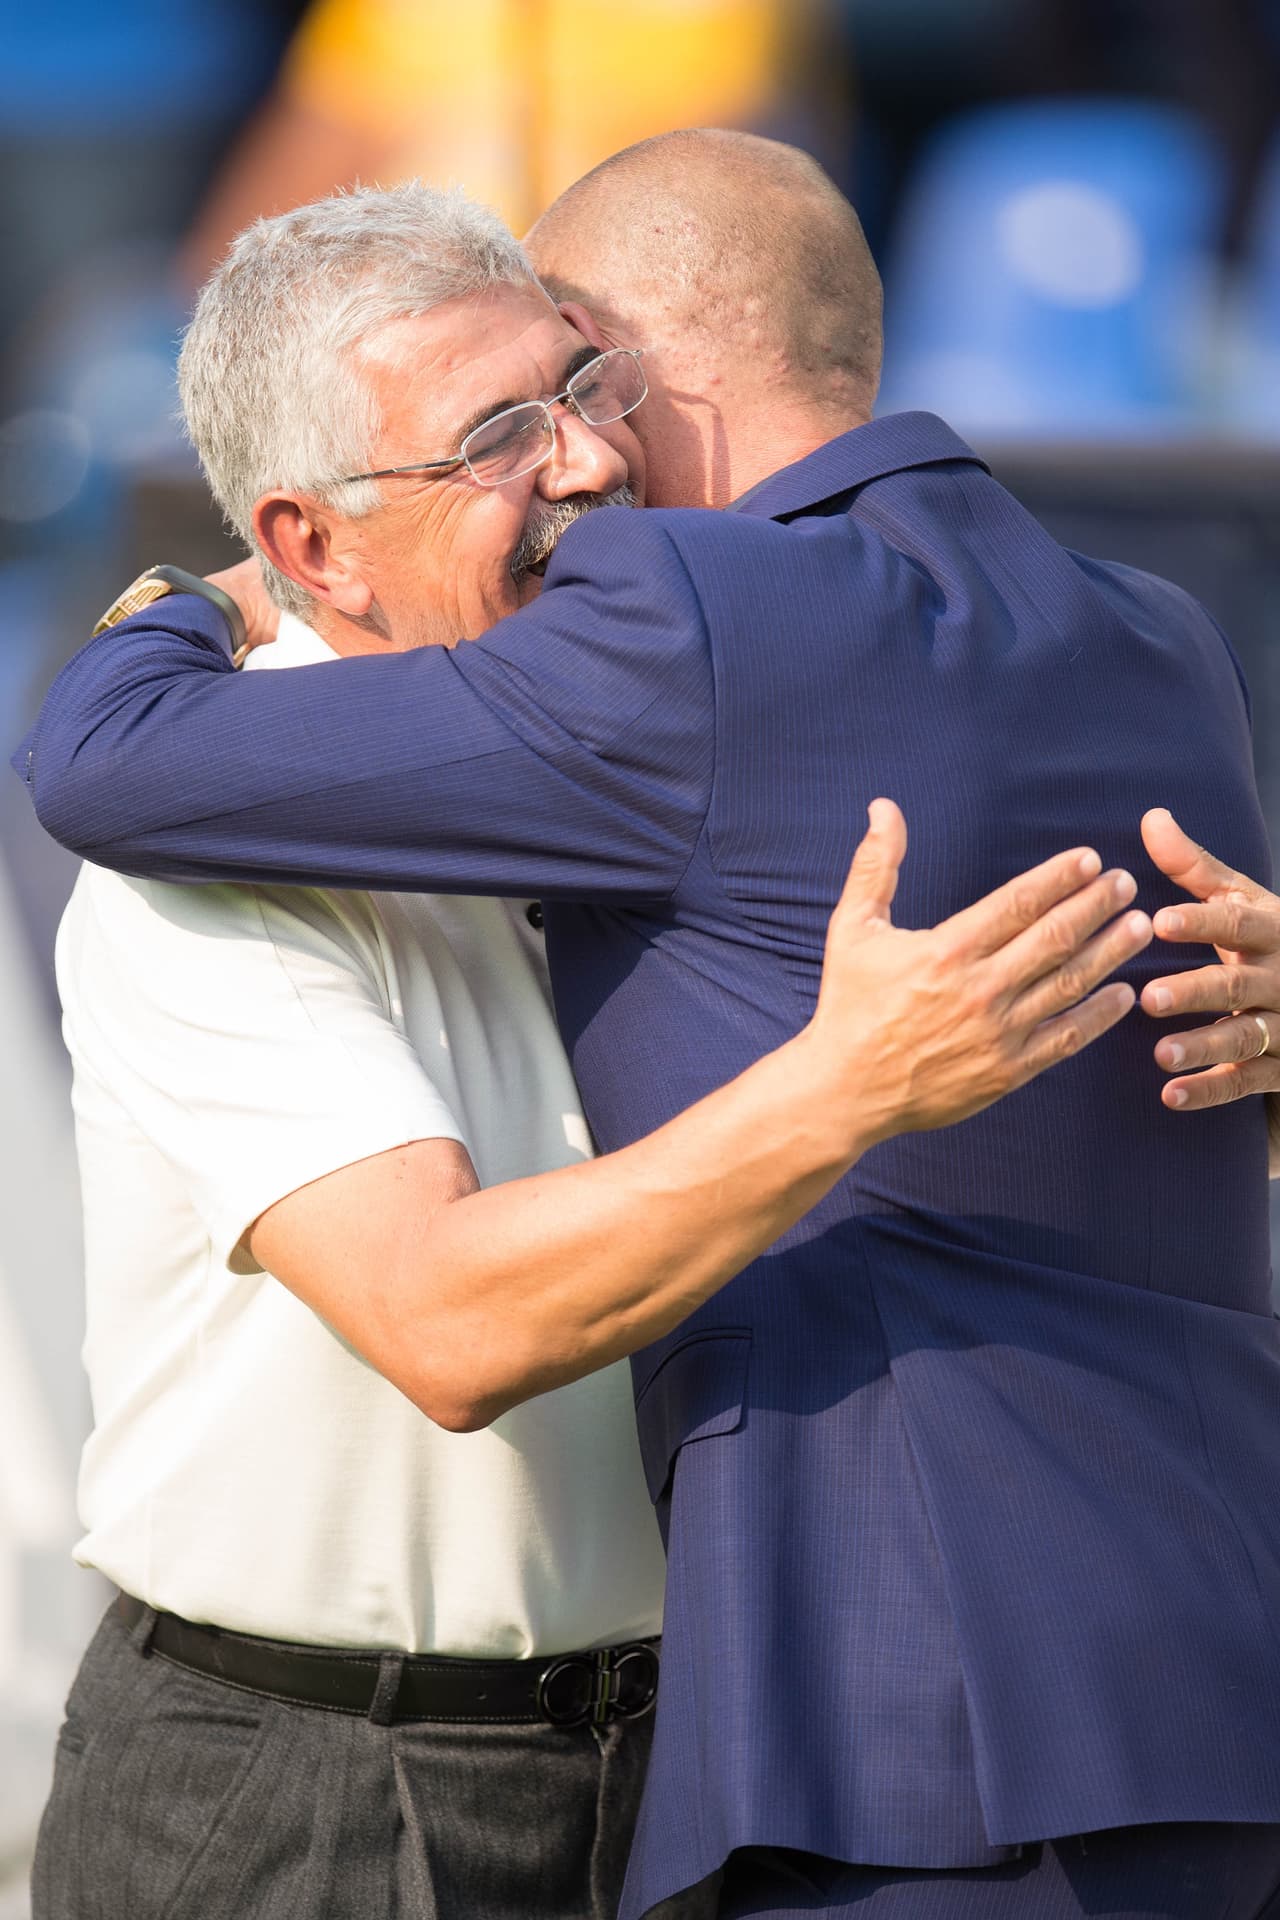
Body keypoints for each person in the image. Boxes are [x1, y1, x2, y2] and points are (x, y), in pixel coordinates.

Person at [19, 140, 1280, 1918]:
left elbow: (101, 751)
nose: (586, 469)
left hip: (881, 1726)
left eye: (577, 396)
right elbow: (451, 1320)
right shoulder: (1157, 631)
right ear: (314, 534)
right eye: (502, 438)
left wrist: (194, 610)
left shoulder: (680, 640)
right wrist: (843, 1094)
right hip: (327, 1785)